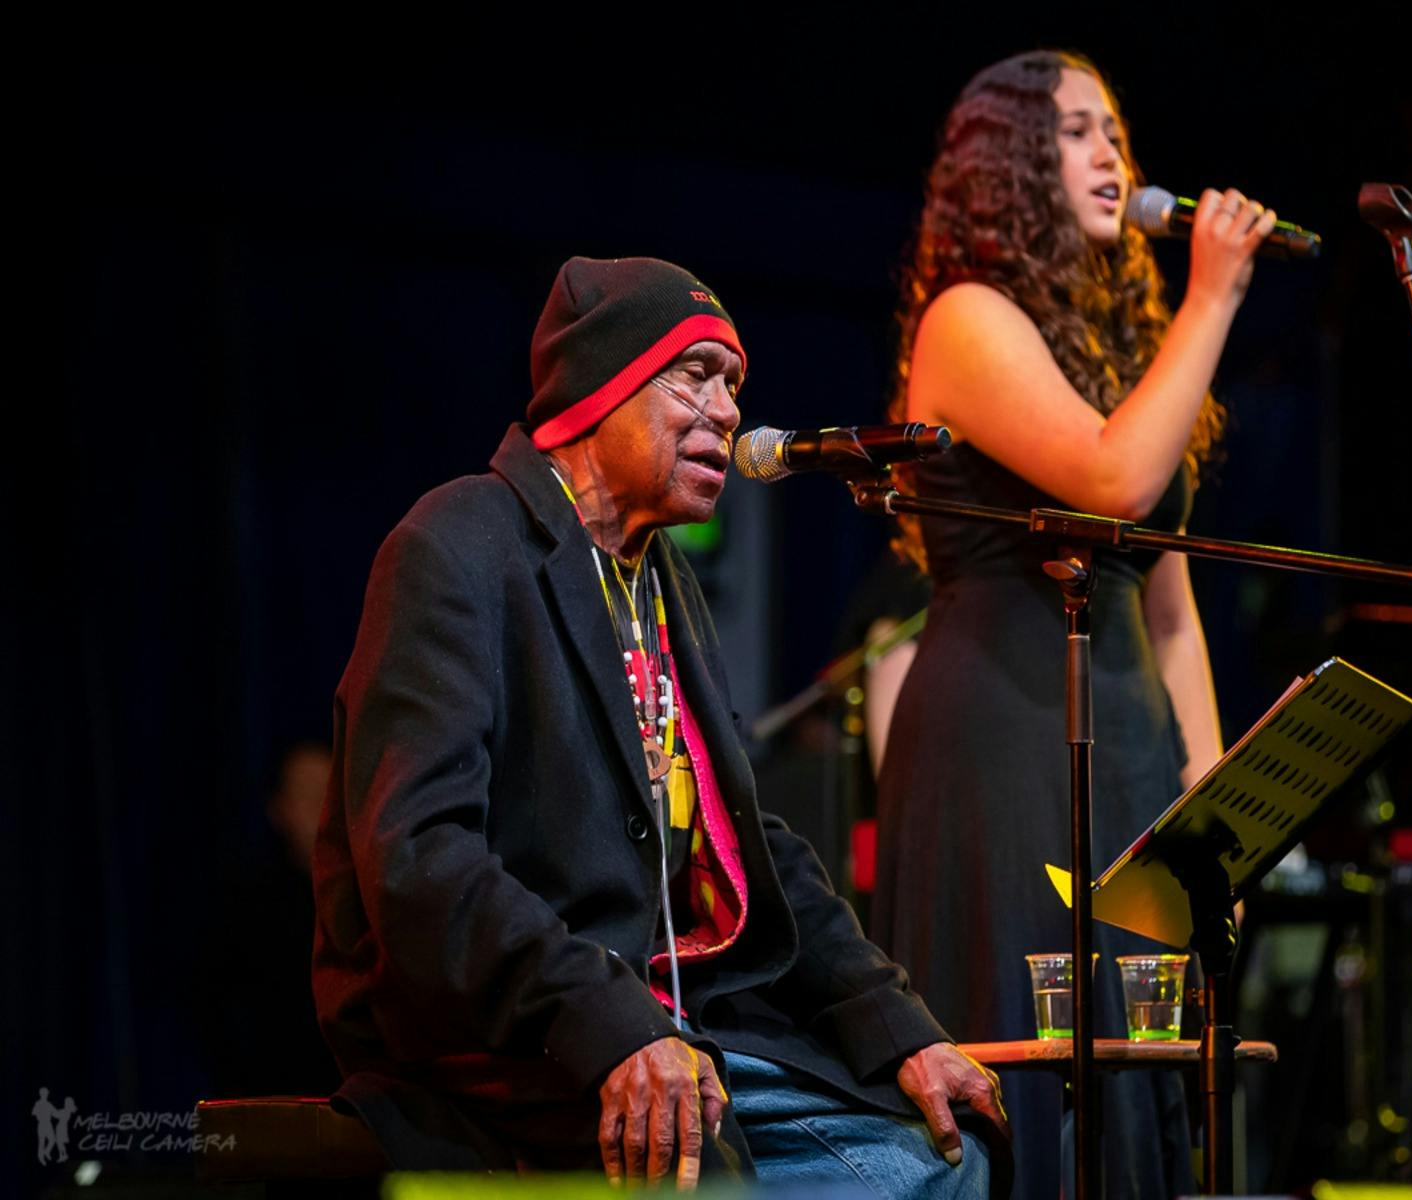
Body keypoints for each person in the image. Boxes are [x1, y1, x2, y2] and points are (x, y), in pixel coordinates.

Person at [311, 256, 1009, 1194]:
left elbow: (752, 841)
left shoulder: (659, 581)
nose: (728, 412)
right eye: (697, 375)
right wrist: (608, 1024)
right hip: (518, 1047)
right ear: (600, 385)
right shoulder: (460, 543)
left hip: (686, 1038)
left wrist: (897, 1029)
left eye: (735, 386)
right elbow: (420, 859)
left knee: (950, 1156)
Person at [871, 51, 1275, 1198]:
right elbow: (1112, 483)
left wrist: (1212, 806)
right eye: (1077, 133)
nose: (1112, 155)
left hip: (1130, 732)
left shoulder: (1114, 347)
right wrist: (1211, 298)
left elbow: (1170, 601)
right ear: (1009, 165)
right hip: (1006, 734)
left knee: (1141, 1049)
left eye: (1116, 132)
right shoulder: (963, 320)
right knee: (1037, 1045)